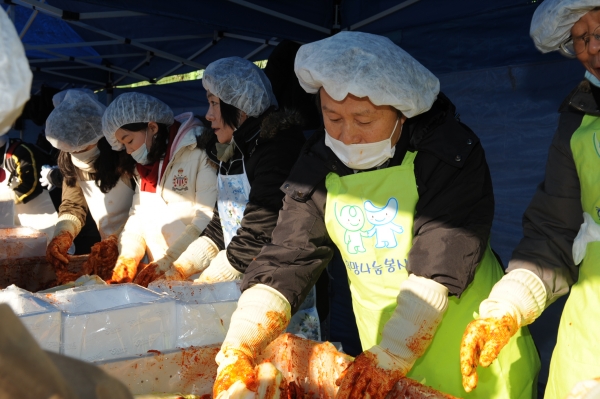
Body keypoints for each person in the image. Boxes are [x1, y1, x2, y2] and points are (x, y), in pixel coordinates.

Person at [211, 31, 540, 399]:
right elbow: (290, 252)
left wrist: (397, 351)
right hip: (382, 357)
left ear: (402, 109)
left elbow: (442, 250)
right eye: (332, 118)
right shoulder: (317, 160)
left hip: (472, 352)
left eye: (364, 120)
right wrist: (241, 342)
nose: (347, 135)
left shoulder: (448, 151)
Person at [460, 2, 600, 398]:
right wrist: (512, 302)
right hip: (589, 343)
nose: (591, 47)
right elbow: (556, 230)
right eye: (579, 38)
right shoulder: (578, 118)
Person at [133, 56, 306, 288]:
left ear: (240, 105)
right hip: (243, 276)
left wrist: (207, 281)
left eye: (214, 103)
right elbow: (220, 225)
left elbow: (262, 227)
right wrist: (181, 267)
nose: (208, 115)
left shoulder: (277, 149)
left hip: (280, 285)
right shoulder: (231, 150)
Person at [102, 92, 217, 284]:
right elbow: (138, 216)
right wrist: (128, 257)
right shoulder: (146, 164)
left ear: (152, 127)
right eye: (123, 145)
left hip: (198, 272)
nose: (128, 151)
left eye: (129, 141)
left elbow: (207, 218)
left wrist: (171, 261)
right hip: (158, 273)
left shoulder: (197, 150)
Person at [44, 89, 135, 283]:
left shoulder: (127, 156)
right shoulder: (71, 162)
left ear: (99, 136)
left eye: (83, 147)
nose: (77, 153)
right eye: (71, 149)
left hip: (139, 246)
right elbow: (73, 205)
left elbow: (145, 209)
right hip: (107, 251)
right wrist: (63, 233)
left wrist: (116, 240)